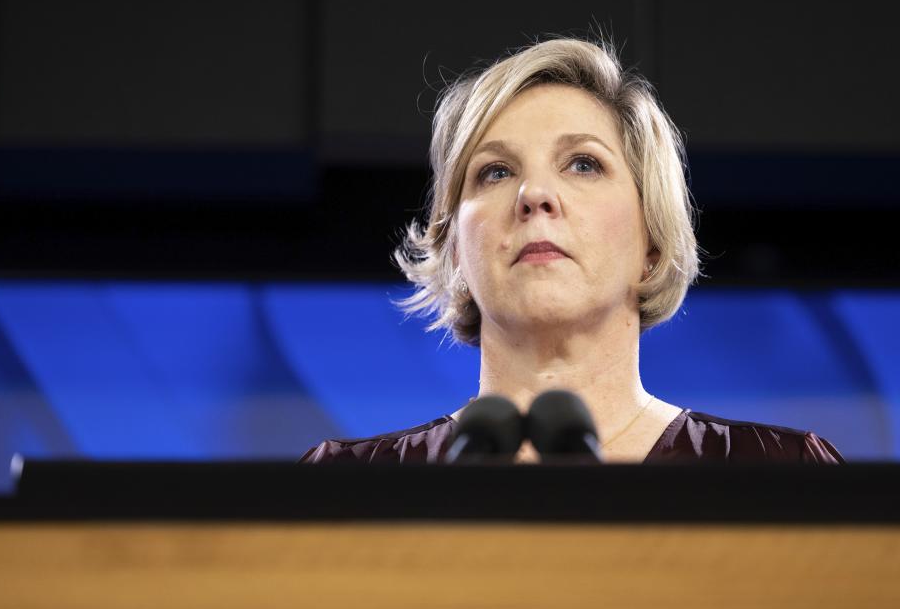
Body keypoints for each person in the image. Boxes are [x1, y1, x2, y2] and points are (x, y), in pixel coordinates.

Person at [300, 36, 845, 465]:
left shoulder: (787, 475)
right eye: (495, 171)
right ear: (455, 252)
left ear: (651, 243)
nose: (534, 195)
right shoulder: (339, 489)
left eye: (583, 164)